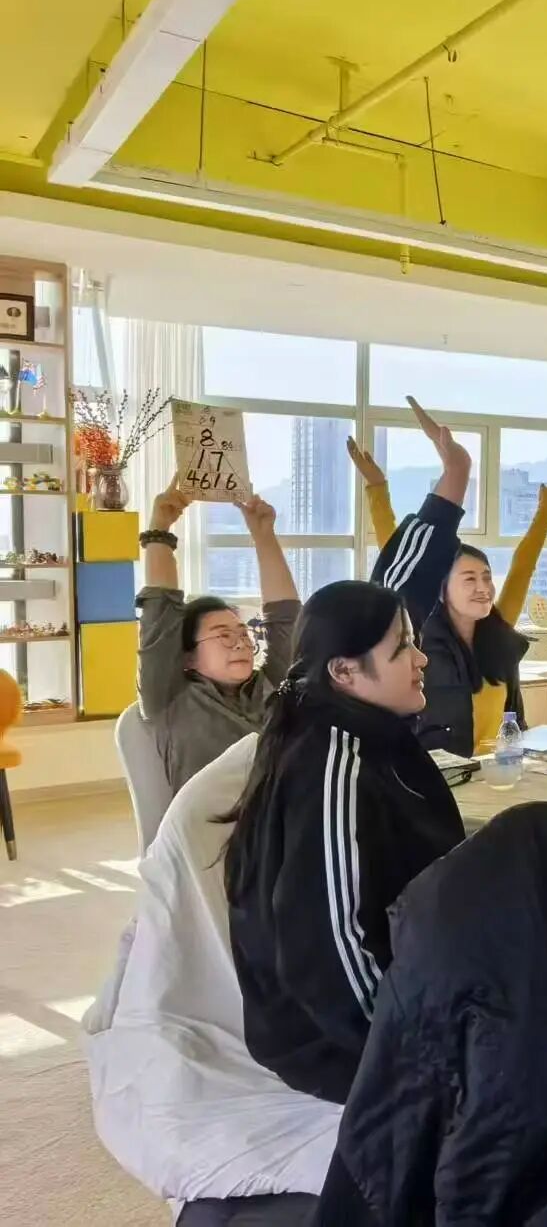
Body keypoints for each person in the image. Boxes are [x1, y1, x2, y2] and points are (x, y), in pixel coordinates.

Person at [222, 429, 472, 1106]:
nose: (421, 658)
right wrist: (413, 1060)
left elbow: (395, 593)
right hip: (342, 1041)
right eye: (404, 650)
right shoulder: (332, 767)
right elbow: (329, 946)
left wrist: (454, 479)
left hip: (414, 970)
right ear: (346, 672)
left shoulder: (343, 697)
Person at [347, 404, 547, 756]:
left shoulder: (498, 626)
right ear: (441, 588)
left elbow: (523, 566)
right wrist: (377, 488)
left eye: (486, 577)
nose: (483, 588)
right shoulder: (418, 637)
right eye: (469, 579)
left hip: (500, 772)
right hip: (440, 774)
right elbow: (401, 562)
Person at [136, 491, 300, 795]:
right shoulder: (170, 697)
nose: (240, 644)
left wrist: (263, 535)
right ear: (188, 657)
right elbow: (159, 611)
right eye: (223, 635)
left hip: (283, 813)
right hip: (216, 823)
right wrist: (159, 530)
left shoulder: (270, 686)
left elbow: (286, 618)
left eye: (242, 633)